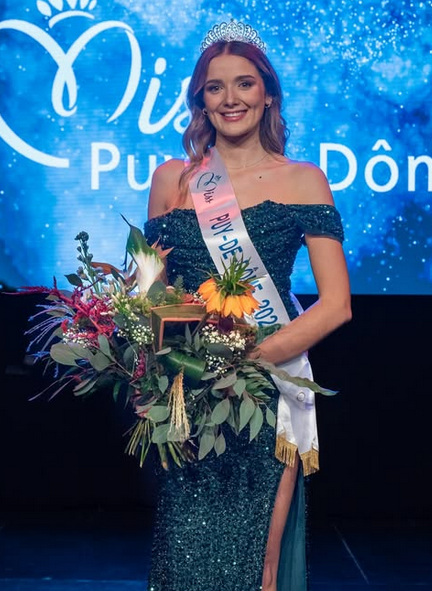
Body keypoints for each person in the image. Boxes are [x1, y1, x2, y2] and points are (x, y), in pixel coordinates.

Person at [144, 21, 351, 591]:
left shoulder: (304, 180)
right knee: (181, 563)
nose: (230, 99)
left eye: (244, 84)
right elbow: (147, 292)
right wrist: (150, 375)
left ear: (268, 94)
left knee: (254, 568)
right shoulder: (171, 180)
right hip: (185, 398)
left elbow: (336, 305)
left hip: (260, 393)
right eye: (215, 87)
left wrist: (245, 362)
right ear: (201, 101)